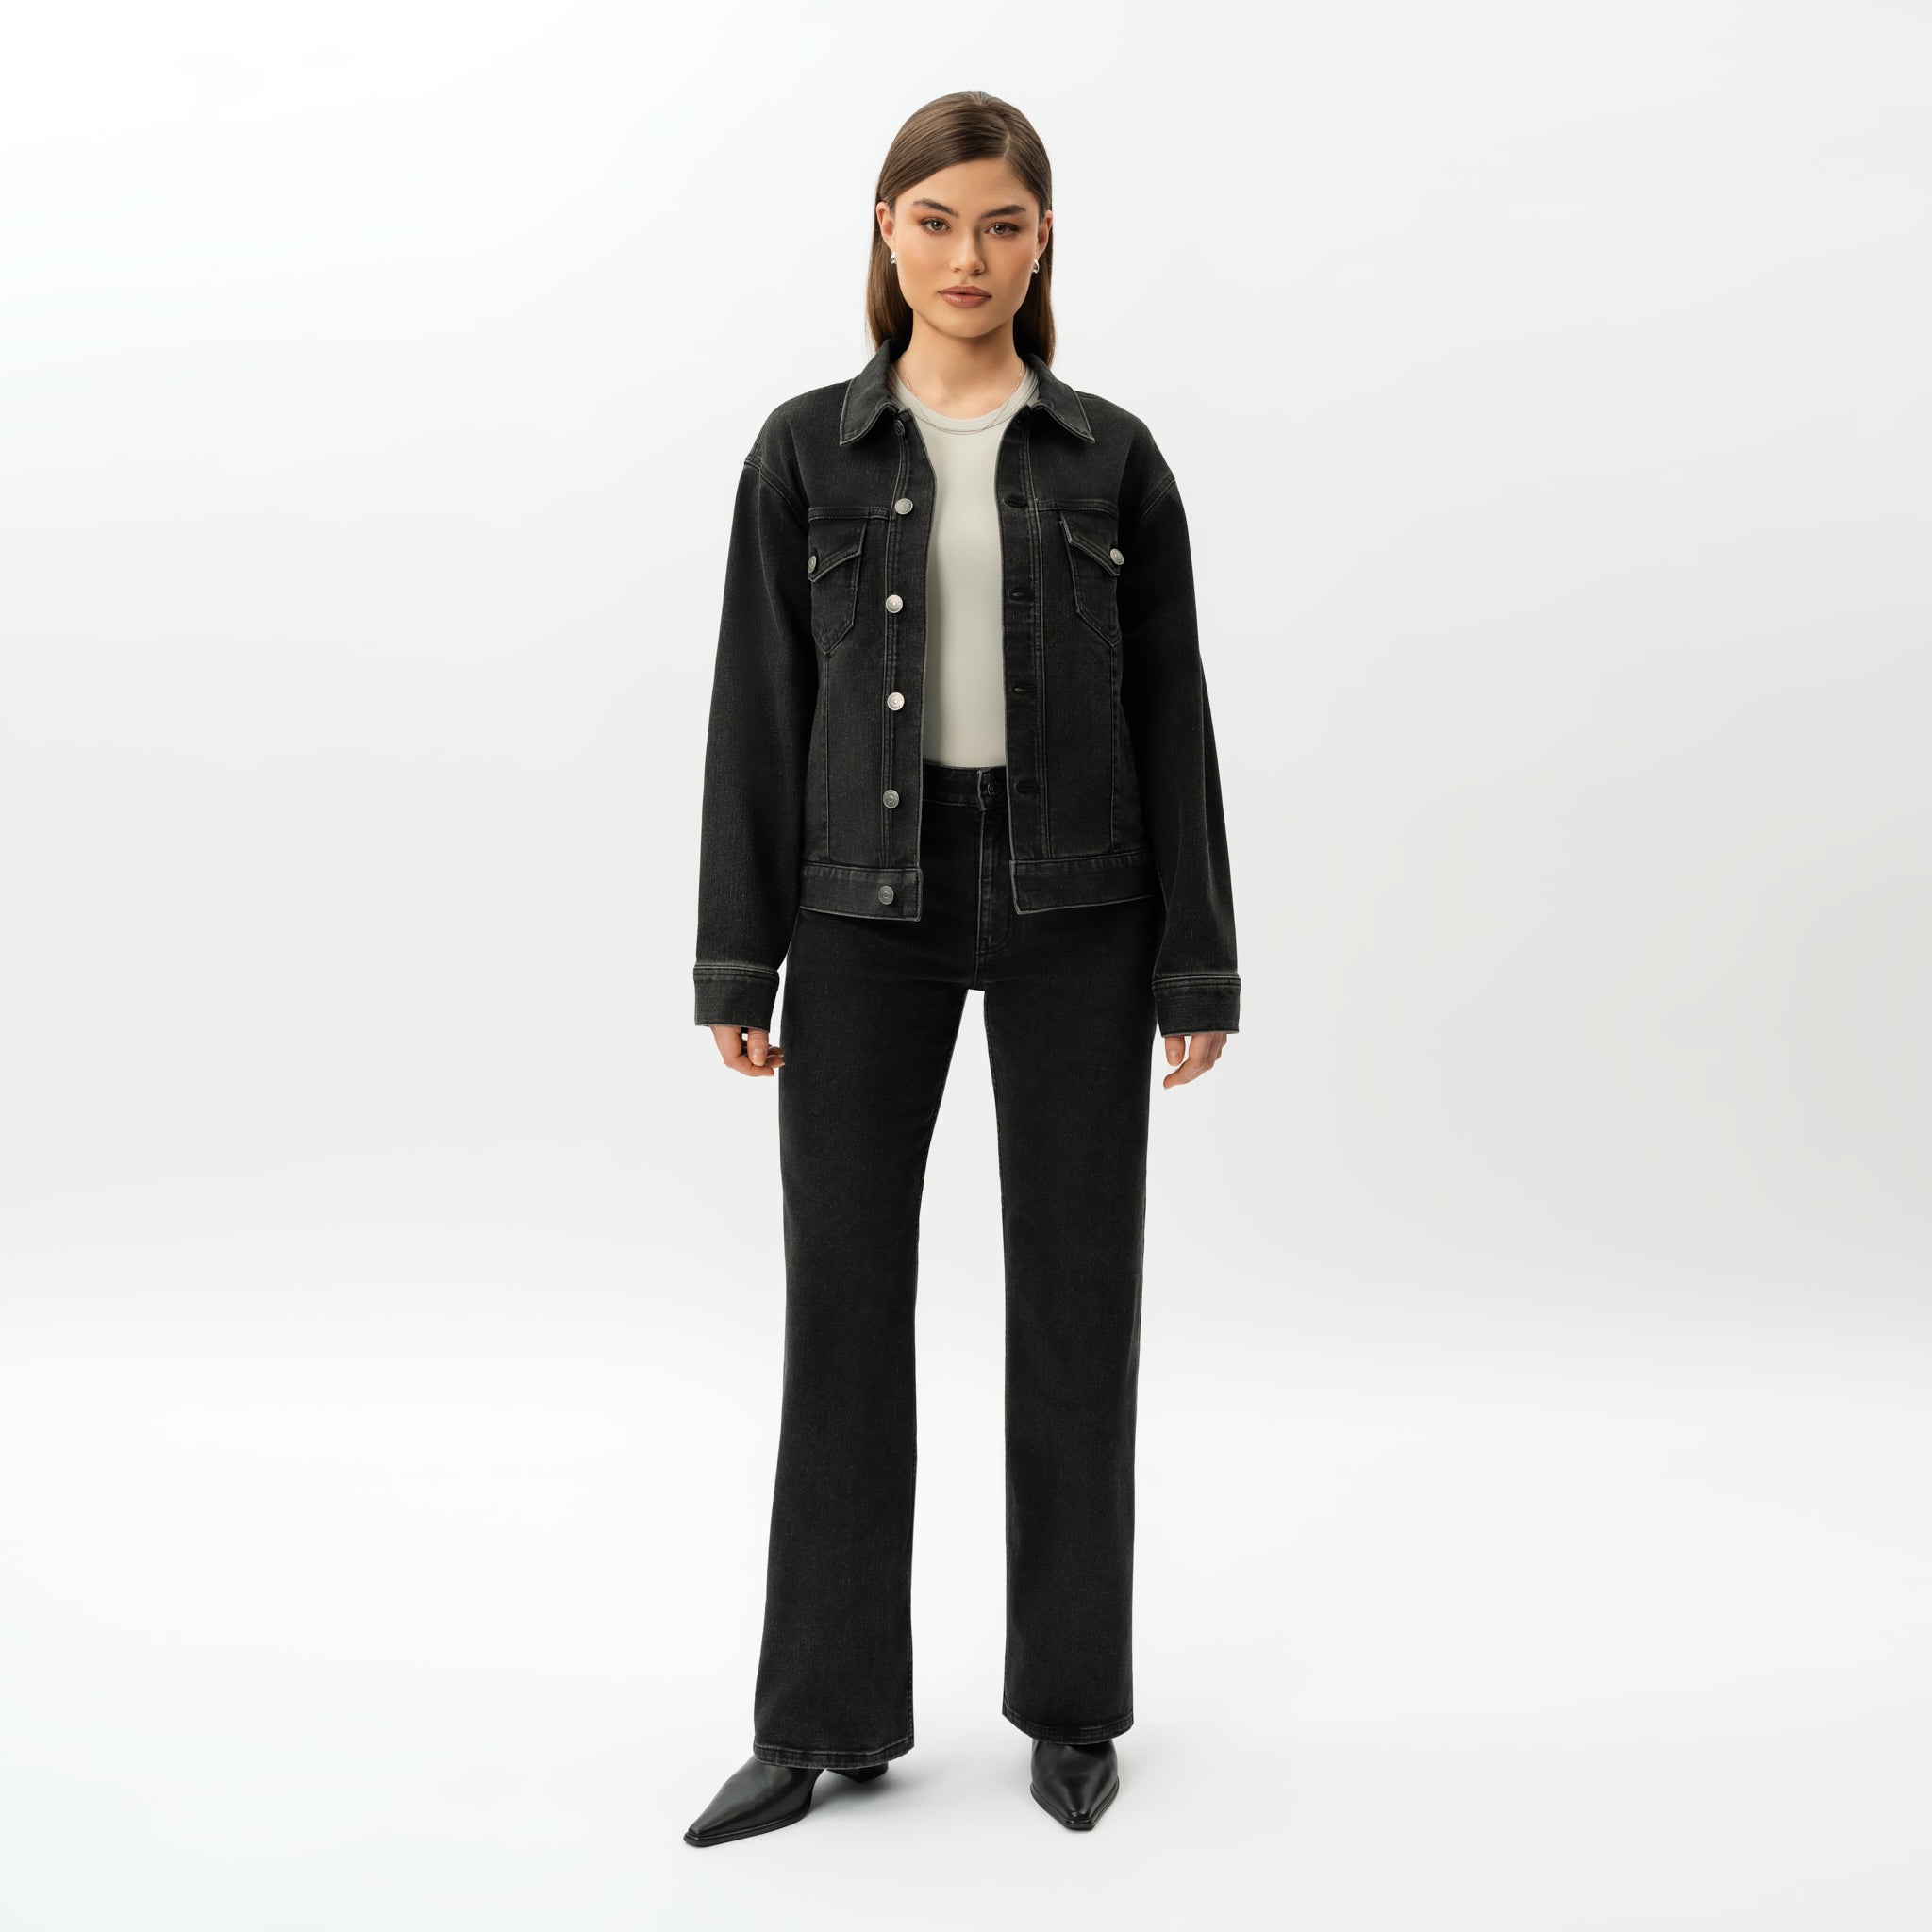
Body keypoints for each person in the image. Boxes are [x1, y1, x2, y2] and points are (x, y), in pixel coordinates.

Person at [684, 90, 1241, 1846]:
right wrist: (737, 960)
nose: (967, 256)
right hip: (866, 907)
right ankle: (820, 1720)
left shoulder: (1112, 457)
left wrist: (1197, 969)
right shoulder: (805, 451)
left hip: (1081, 900)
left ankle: (1072, 1708)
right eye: (934, 221)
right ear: (886, 232)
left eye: (1001, 223)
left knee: (1077, 1307)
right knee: (844, 1310)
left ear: (1043, 239)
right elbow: (759, 709)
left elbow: (1175, 719)